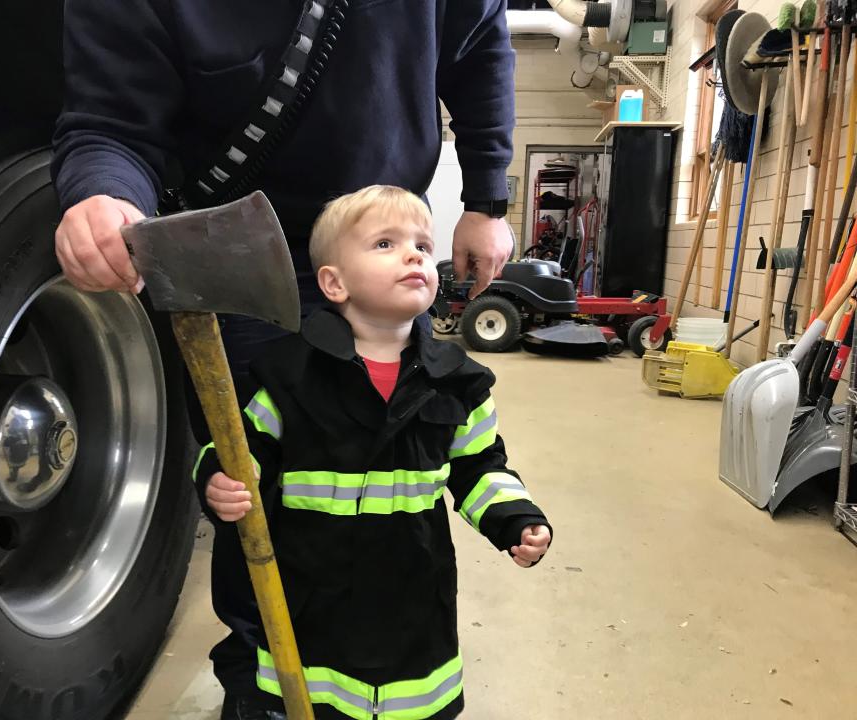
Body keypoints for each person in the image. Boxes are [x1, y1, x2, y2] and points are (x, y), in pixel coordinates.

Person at [50, 3, 519, 716]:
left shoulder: (451, 372)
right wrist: (103, 194)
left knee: (387, 485)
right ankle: (261, 687)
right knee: (260, 495)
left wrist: (486, 194)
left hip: (373, 236)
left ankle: (376, 672)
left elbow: (480, 38)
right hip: (236, 255)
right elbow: (110, 120)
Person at [197, 185, 552, 719]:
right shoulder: (290, 378)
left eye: (421, 244)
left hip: (413, 587)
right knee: (313, 697)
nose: (414, 254)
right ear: (333, 283)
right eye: (385, 244)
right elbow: (240, 449)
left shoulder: (458, 384)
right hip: (313, 589)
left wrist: (514, 518)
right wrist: (218, 480)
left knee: (414, 694)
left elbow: (480, 468)